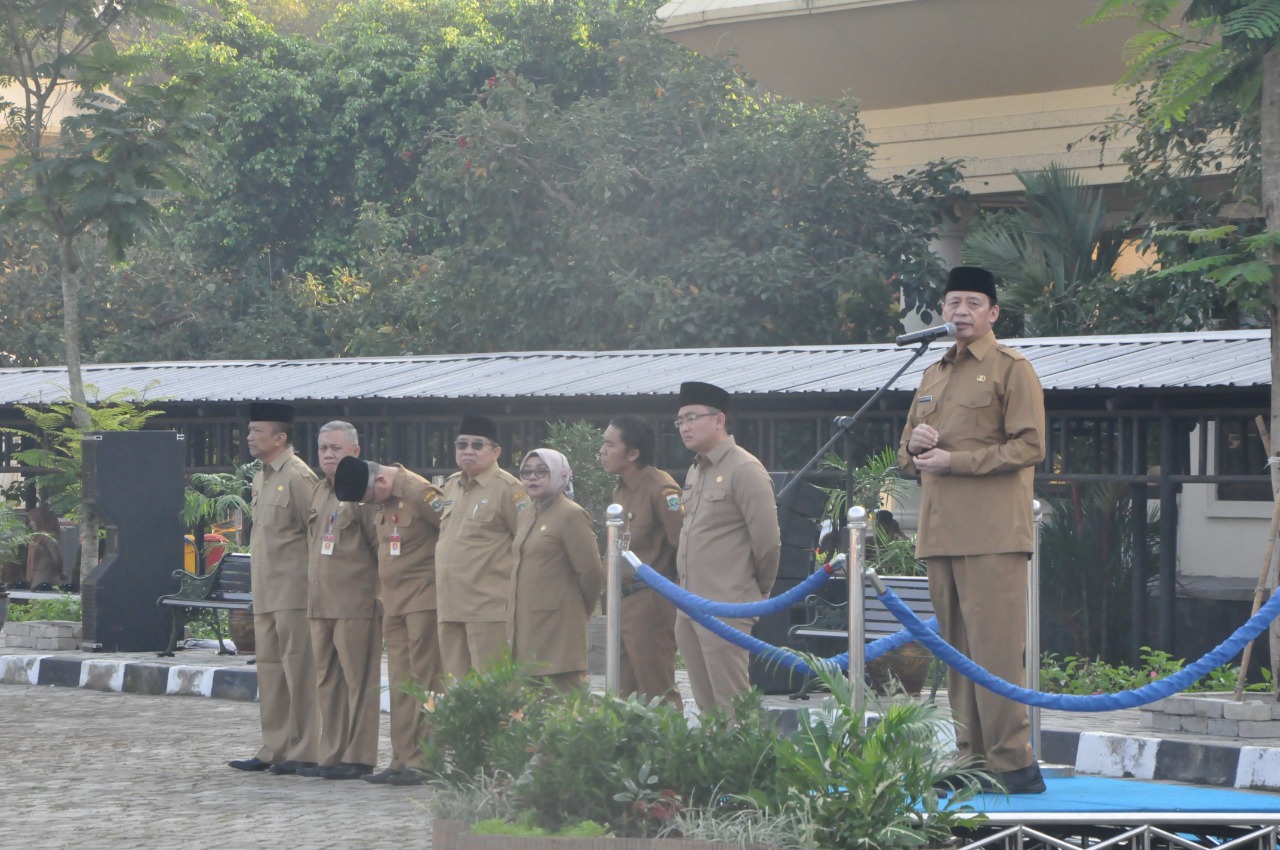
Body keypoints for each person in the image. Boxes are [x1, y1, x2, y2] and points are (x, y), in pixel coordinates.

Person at [898, 265, 1047, 795]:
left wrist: (956, 461)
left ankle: (1012, 762)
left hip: (992, 535)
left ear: (993, 313)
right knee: (957, 653)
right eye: (952, 302)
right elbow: (906, 452)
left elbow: (1029, 446)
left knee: (996, 651)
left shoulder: (1012, 368)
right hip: (941, 533)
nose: (960, 311)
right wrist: (915, 449)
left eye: (972, 303)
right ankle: (971, 757)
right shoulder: (933, 371)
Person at [333, 456, 445, 788]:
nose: (370, 507)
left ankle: (426, 760)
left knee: (428, 684)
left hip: (425, 601)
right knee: (399, 683)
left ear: (380, 483)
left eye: (369, 500)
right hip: (395, 604)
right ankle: (401, 758)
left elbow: (453, 534)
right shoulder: (384, 497)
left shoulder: (419, 493)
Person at [673, 381, 781, 713]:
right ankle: (714, 763)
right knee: (706, 704)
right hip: (688, 602)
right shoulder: (696, 468)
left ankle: (743, 765)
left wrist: (755, 593)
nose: (685, 427)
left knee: (732, 703)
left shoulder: (744, 468)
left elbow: (768, 542)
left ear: (719, 420)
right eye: (680, 421)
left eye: (692, 417)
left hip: (727, 605)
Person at [229, 402, 321, 775]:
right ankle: (275, 747)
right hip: (265, 592)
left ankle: (305, 748)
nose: (250, 437)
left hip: (295, 592)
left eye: (257, 431)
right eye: (249, 431)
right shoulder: (261, 476)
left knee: (300, 670)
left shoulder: (299, 477)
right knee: (270, 671)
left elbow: (315, 536)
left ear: (280, 437)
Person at [297, 421, 381, 781]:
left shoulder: (363, 490)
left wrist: (378, 598)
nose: (328, 455)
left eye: (336, 448)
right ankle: (330, 753)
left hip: (354, 603)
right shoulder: (319, 490)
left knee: (359, 682)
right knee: (327, 682)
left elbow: (379, 548)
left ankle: (359, 756)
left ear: (355, 452)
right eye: (323, 449)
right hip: (320, 602)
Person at [435, 415, 530, 681]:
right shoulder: (451, 485)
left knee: (492, 694)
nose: (468, 451)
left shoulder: (509, 489)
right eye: (462, 444)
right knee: (458, 693)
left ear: (496, 451)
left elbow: (526, 546)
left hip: (488, 611)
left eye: (478, 445)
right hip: (449, 608)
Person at [598, 415, 683, 705]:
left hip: (650, 600)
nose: (602, 451)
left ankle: (669, 749)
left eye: (610, 444)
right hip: (620, 600)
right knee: (623, 691)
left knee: (656, 688)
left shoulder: (661, 489)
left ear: (633, 453)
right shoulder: (620, 489)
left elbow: (681, 545)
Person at [508, 448, 605, 691]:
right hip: (527, 627)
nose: (532, 477)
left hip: (559, 628)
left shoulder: (571, 514)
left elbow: (592, 572)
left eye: (542, 471)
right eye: (526, 472)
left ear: (560, 474)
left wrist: (579, 609)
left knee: (562, 712)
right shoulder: (527, 513)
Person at [24, 502, 64, 590]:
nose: (30, 523)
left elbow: (57, 558)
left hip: (46, 579)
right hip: (37, 578)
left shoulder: (48, 536)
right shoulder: (38, 536)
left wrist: (57, 571)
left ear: (40, 519)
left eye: (32, 520)